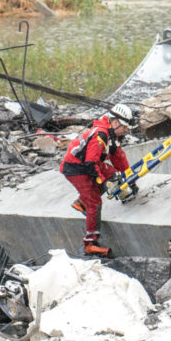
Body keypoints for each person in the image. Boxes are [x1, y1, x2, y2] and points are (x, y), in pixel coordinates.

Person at [60, 103, 134, 257]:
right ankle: (89, 244)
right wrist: (101, 181)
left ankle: (81, 203)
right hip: (76, 168)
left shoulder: (112, 136)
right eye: (124, 127)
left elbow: (118, 158)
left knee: (113, 176)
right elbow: (90, 163)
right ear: (115, 122)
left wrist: (129, 178)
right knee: (94, 201)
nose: (126, 130)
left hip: (86, 164)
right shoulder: (100, 135)